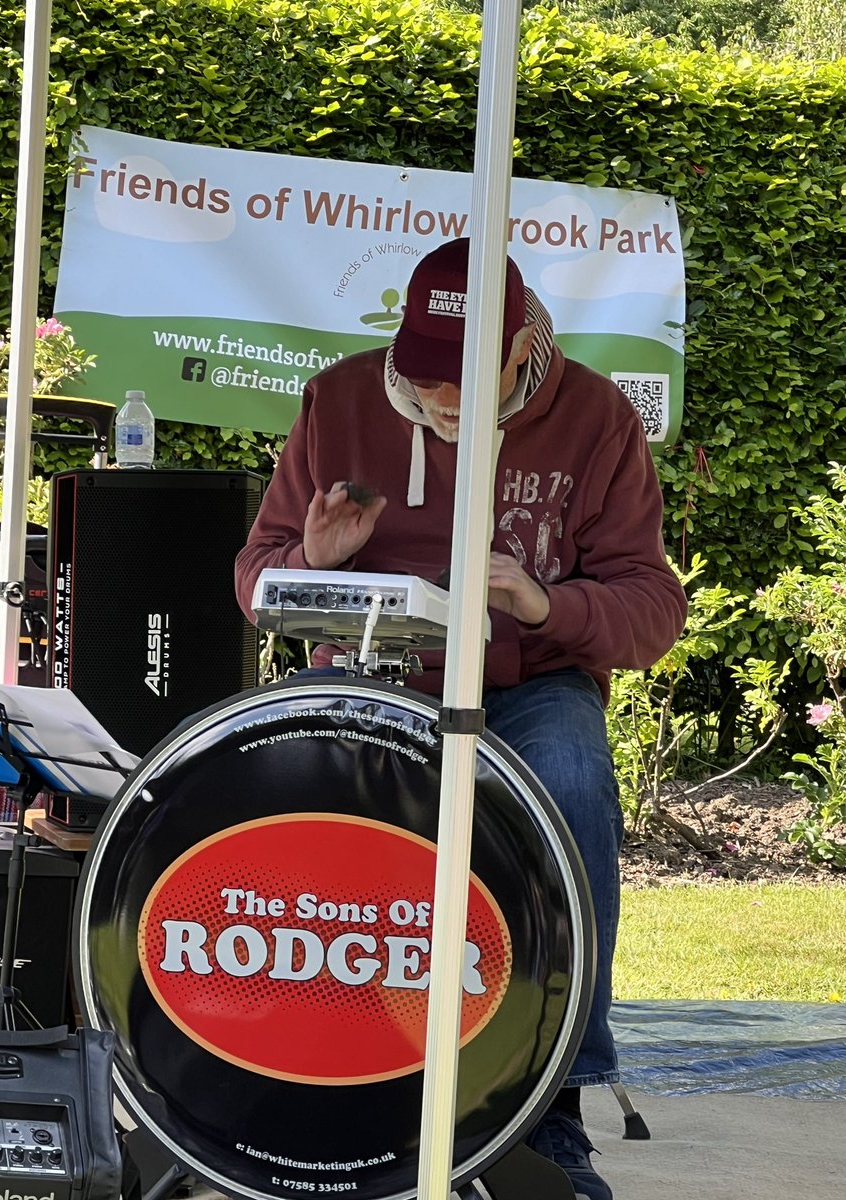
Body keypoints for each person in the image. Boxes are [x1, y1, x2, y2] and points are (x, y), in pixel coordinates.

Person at [235, 237, 687, 1200]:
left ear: (522, 349)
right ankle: (295, 1070)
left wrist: (543, 605)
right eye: (425, 377)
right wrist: (314, 561)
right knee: (282, 794)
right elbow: (257, 575)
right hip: (371, 673)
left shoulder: (597, 418)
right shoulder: (340, 398)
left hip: (530, 685)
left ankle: (554, 1101)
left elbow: (651, 607)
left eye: (464, 381)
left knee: (570, 780)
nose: (440, 401)